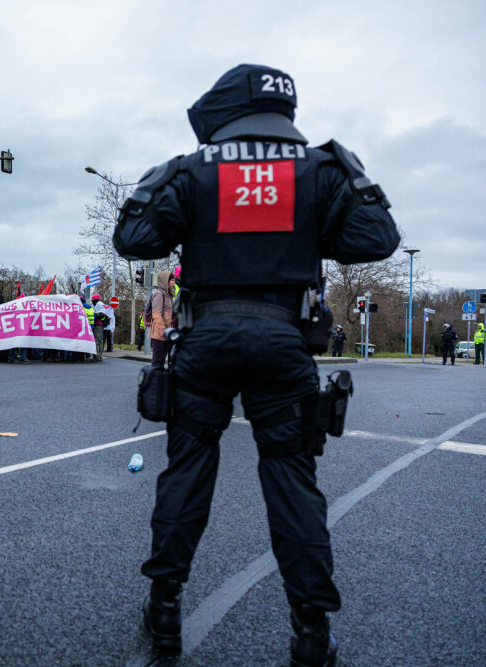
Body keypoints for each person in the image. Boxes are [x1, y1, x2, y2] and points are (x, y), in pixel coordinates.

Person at [114, 64, 400, 666]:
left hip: (206, 341)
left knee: (187, 472)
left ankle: (164, 608)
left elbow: (134, 238)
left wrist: (155, 182)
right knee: (293, 483)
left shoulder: (194, 170)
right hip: (282, 343)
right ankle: (312, 632)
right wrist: (351, 172)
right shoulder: (320, 171)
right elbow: (377, 239)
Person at [142, 271, 174, 367]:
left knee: (168, 359)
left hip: (168, 332)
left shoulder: (169, 295)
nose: (174, 283)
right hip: (160, 333)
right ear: (165, 281)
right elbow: (157, 314)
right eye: (171, 280)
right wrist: (164, 331)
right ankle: (155, 379)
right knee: (158, 360)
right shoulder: (159, 294)